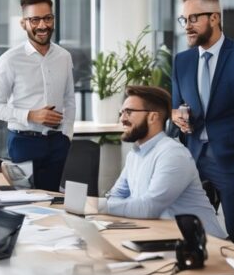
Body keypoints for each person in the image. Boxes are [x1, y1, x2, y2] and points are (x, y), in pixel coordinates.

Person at [170, 0, 234, 245]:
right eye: (184, 20)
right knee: (189, 230)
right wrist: (176, 116)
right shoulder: (181, 61)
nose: (187, 27)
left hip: (232, 161)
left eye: (193, 18)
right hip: (191, 157)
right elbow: (175, 106)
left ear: (214, 18)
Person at [96, 85, 226, 239]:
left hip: (204, 246)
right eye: (122, 113)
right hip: (161, 238)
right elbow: (115, 196)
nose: (122, 119)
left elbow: (149, 207)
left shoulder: (173, 154)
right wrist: (110, 205)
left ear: (152, 117)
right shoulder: (134, 155)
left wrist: (96, 206)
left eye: (129, 112)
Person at [0, 0, 75, 192]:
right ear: (23, 23)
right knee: (25, 204)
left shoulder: (64, 57)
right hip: (24, 143)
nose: (42, 25)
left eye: (47, 18)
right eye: (35, 20)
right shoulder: (10, 60)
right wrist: (31, 115)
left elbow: (69, 99)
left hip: (57, 143)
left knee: (54, 202)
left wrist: (67, 136)